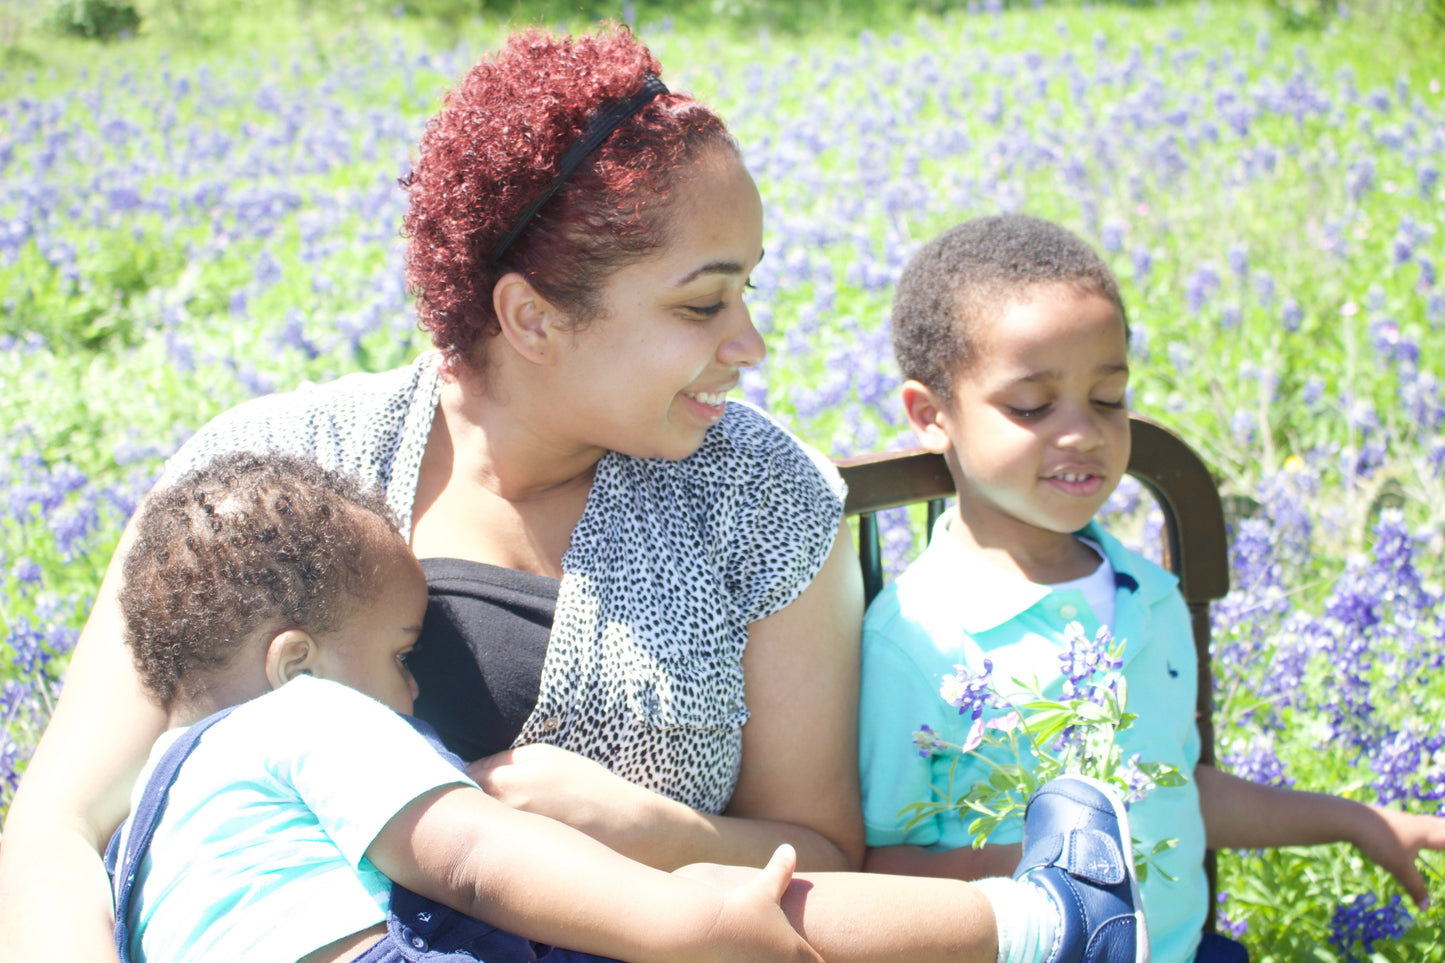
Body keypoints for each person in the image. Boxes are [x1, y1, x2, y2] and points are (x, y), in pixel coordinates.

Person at [1, 28, 1141, 963]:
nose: (749, 344)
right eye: (701, 304)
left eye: (747, 292)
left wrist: (646, 827)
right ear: (532, 317)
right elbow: (55, 830)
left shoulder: (759, 495)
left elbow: (824, 855)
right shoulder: (266, 474)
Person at [857, 213, 1445, 963]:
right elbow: (877, 867)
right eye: (1032, 406)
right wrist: (1054, 876)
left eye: (1108, 397)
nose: (1083, 431)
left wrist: (1356, 819)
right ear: (929, 414)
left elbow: (1178, 793)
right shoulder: (916, 635)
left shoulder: (1150, 593)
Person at [110, 452, 821, 963]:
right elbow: (475, 862)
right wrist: (702, 925)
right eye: (401, 655)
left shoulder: (141, 827)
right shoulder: (304, 712)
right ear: (297, 664)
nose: (414, 689)